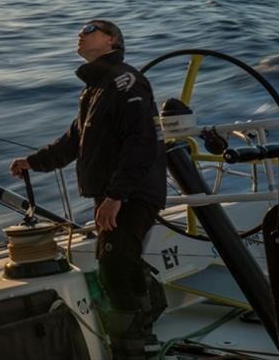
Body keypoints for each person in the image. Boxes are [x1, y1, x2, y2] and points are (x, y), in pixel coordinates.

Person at [9, 20, 166, 360]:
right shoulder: (95, 90)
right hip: (114, 193)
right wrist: (32, 162)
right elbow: (72, 142)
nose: (81, 32)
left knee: (112, 268)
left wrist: (116, 196)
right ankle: (146, 330)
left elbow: (140, 144)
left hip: (131, 193)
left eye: (91, 28)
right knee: (120, 261)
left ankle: (132, 349)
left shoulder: (127, 82)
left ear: (111, 40)